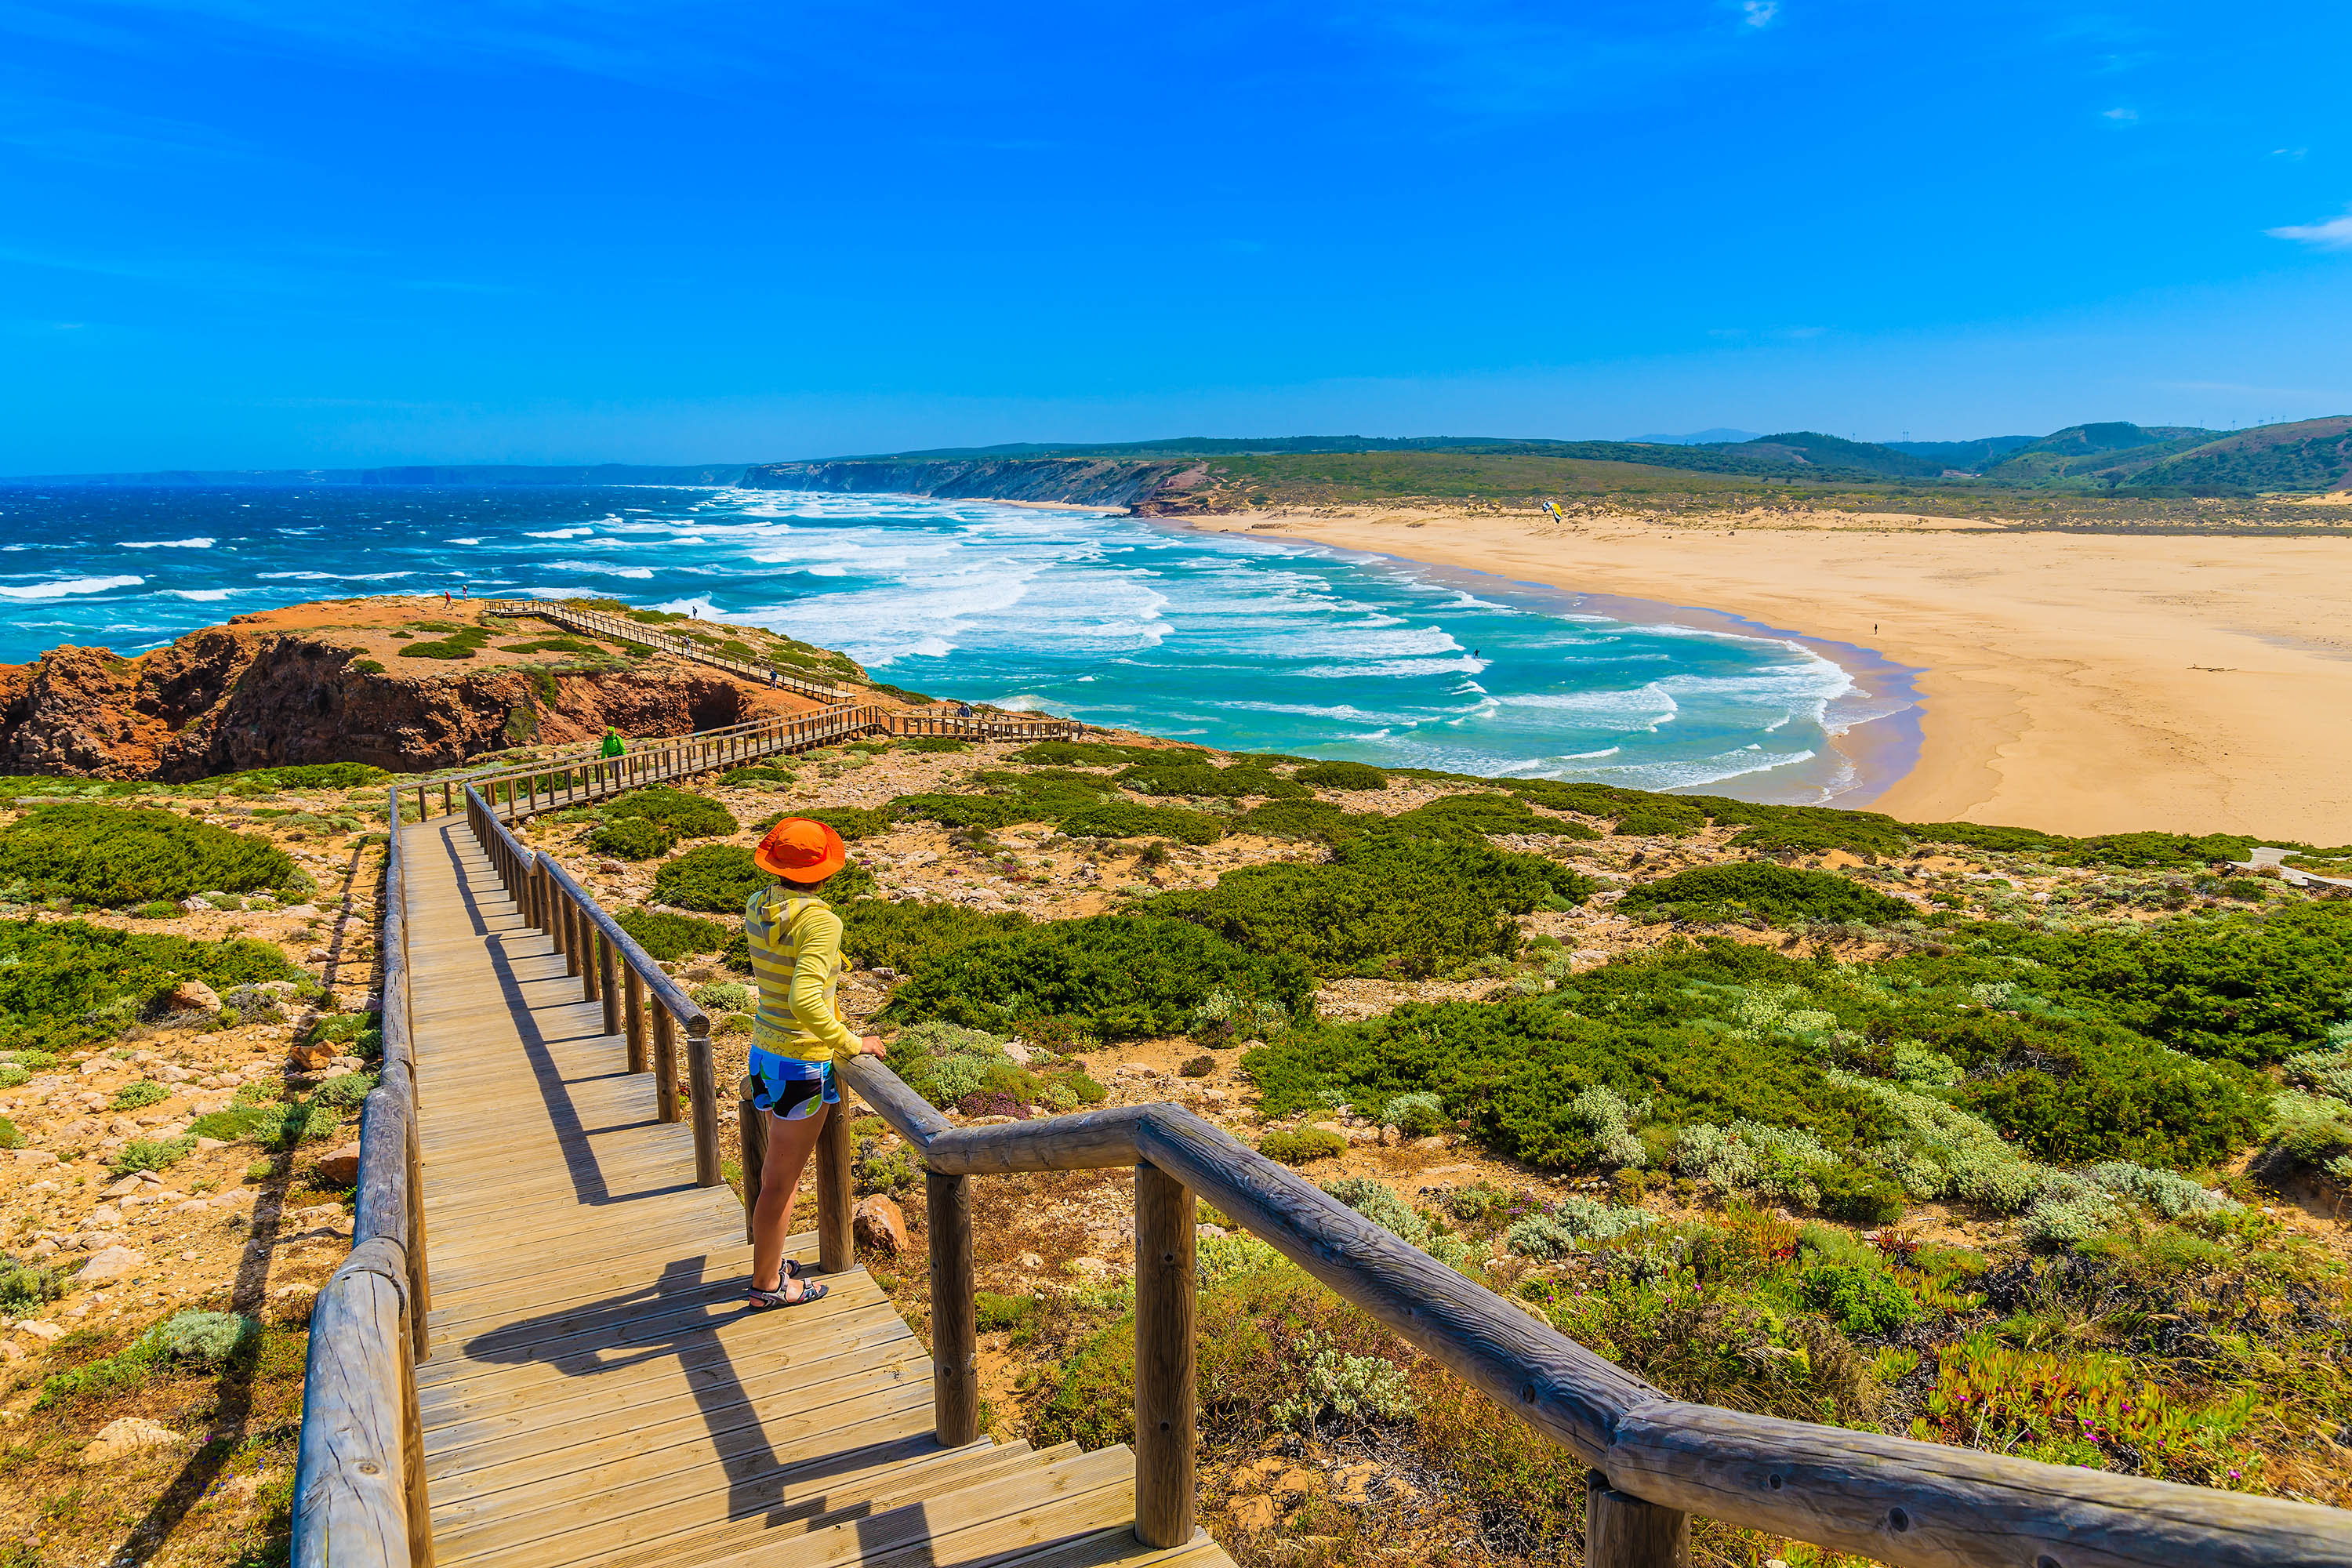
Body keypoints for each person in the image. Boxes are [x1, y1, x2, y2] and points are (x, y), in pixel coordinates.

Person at [741, 818, 888, 1308]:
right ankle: (767, 1286)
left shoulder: (759, 905)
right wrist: (849, 1043)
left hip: (764, 1052)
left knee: (774, 1179)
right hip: (800, 1060)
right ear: (825, 868)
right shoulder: (821, 921)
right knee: (780, 1186)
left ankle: (770, 1263)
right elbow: (806, 1000)